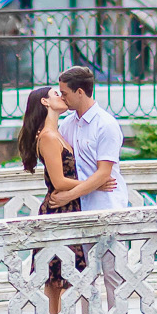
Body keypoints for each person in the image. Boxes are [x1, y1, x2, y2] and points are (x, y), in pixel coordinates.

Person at [17, 85, 110, 314]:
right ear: (45, 103)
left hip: (69, 206)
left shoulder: (57, 132)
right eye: (55, 94)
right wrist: (94, 183)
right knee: (56, 275)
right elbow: (58, 182)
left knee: (64, 272)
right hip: (58, 208)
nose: (61, 96)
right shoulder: (48, 136)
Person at [52, 66, 130, 212]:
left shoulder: (106, 125)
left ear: (80, 92)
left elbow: (103, 173)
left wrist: (69, 195)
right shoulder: (67, 125)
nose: (62, 98)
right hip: (77, 208)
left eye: (64, 93)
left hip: (106, 205)